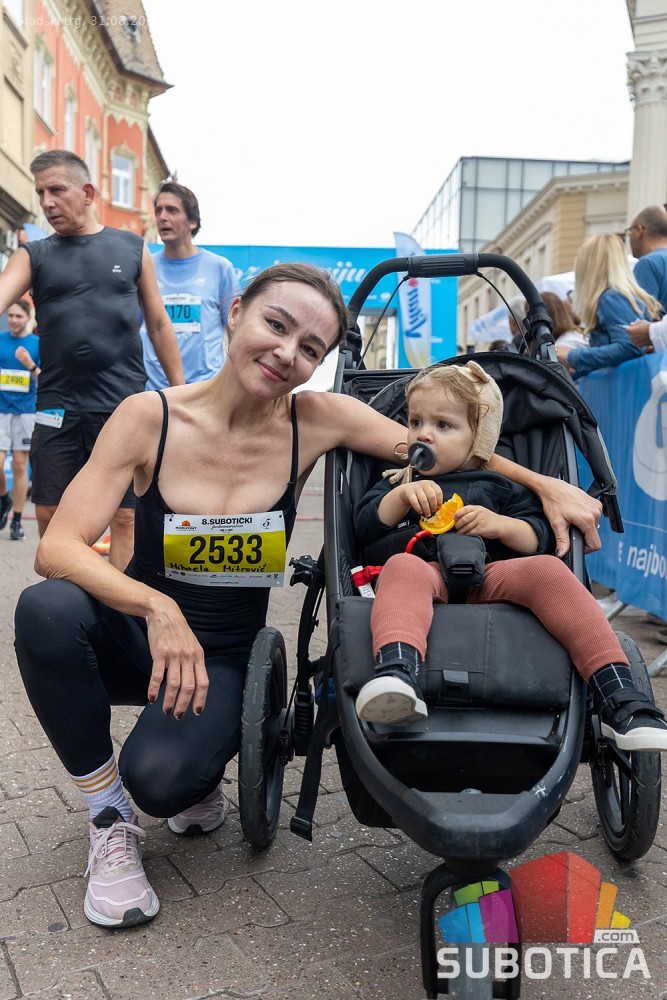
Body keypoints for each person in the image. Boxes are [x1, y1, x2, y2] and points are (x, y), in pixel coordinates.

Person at [13, 264, 604, 931]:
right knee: (46, 610)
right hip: (144, 632)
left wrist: (544, 485)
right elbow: (56, 549)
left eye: (310, 348)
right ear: (235, 311)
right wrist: (157, 608)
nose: (285, 353)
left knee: (162, 782)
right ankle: (107, 816)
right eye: (276, 324)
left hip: (224, 658)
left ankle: (193, 771)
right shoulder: (149, 416)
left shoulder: (316, 419)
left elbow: (441, 449)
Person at [354, 362, 667, 755]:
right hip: (426, 574)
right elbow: (365, 526)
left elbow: (538, 536)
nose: (424, 433)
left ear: (478, 438)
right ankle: (397, 674)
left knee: (547, 568)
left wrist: (500, 525)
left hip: (493, 576)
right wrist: (400, 498)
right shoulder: (398, 479)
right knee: (402, 567)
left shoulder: (500, 485)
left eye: (443, 425)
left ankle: (620, 697)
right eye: (415, 421)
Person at [0, 149, 185, 569]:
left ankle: (118, 603)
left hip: (122, 405)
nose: (46, 202)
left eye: (56, 190)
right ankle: (69, 596)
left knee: (125, 515)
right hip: (56, 405)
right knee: (50, 511)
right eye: (41, 193)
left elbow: (159, 324)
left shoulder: (131, 247)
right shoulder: (34, 254)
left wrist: (181, 395)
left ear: (87, 192)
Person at [140, 182, 237, 388]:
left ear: (192, 221)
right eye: (158, 211)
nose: (162, 217)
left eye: (172, 210)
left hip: (206, 390)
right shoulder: (144, 267)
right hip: (155, 392)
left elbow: (237, 330)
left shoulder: (220, 268)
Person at [555, 233, 662, 378]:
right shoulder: (618, 296)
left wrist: (572, 356)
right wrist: (579, 371)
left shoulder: (611, 298)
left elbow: (629, 347)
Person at [0, 299, 40, 540]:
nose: (14, 320)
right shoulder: (0, 340)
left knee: (19, 465)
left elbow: (46, 379)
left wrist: (30, 365)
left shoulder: (37, 344)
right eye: (10, 316)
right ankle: (3, 497)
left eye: (18, 316)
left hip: (25, 412)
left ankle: (16, 519)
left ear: (27, 318)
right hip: (1, 410)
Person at [627, 205, 667, 310]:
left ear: (639, 230)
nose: (629, 236)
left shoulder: (648, 264)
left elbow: (640, 313)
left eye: (630, 231)